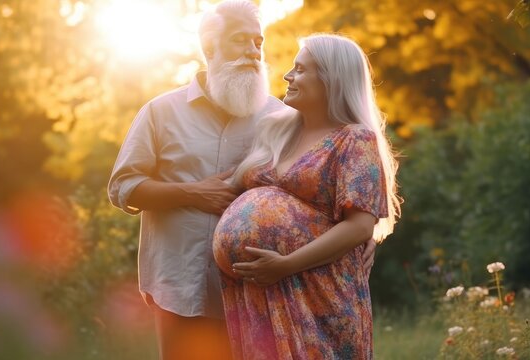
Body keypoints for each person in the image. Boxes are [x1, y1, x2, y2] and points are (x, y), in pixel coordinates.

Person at [107, 1, 377, 358]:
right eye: (240, 40)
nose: (253, 51)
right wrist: (191, 193)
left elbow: (326, 178)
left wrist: (364, 234)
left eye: (258, 42)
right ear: (210, 47)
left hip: (258, 291)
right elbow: (122, 187)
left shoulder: (281, 116)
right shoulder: (161, 112)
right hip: (180, 286)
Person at [213, 33, 402, 359]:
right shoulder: (275, 130)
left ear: (331, 78)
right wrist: (165, 190)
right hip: (259, 290)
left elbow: (359, 226)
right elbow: (233, 186)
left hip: (316, 293)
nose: (288, 76)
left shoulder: (355, 139)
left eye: (300, 69)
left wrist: (285, 264)